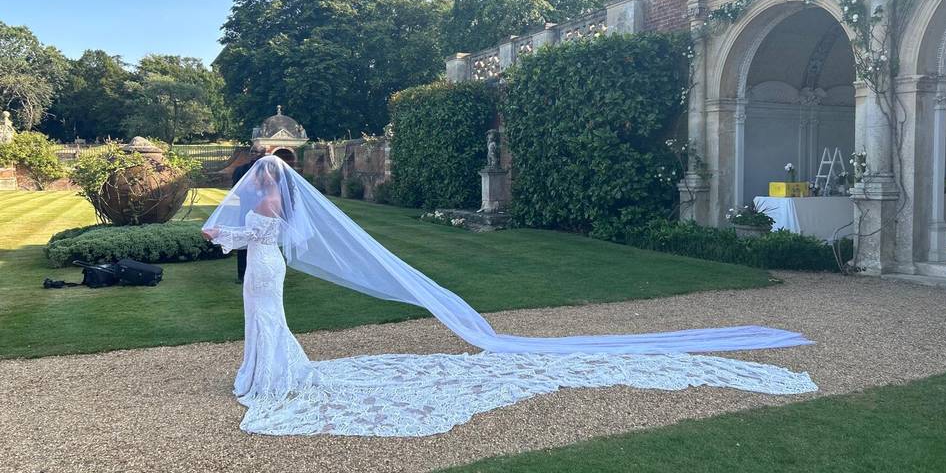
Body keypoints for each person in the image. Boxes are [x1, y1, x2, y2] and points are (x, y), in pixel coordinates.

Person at [203, 156, 817, 437]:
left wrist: (223, 229)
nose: (259, 181)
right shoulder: (274, 203)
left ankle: (271, 377)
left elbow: (239, 237)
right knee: (267, 320)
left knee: (267, 319)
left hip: (265, 269)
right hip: (268, 269)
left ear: (266, 180)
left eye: (261, 175)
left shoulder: (266, 204)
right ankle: (269, 373)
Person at [229, 145, 266, 283]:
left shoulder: (268, 171)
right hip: (245, 210)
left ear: (263, 154)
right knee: (243, 241)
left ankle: (260, 272)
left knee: (261, 242)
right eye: (252, 151)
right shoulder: (240, 170)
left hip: (264, 211)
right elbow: (235, 190)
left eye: (257, 152)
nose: (254, 154)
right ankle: (242, 274)